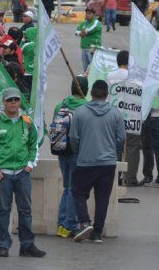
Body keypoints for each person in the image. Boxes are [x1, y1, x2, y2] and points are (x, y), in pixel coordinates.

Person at [0, 87, 45, 258]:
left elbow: (34, 145)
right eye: (10, 100)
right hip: (3, 175)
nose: (13, 103)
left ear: (19, 102)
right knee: (3, 210)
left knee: (25, 210)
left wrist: (31, 164)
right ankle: (3, 245)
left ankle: (27, 246)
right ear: (3, 102)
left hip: (23, 174)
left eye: (16, 100)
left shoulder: (27, 121)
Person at [70, 80, 126, 243]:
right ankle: (97, 232)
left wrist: (79, 151)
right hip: (107, 163)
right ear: (107, 95)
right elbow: (121, 138)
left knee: (78, 192)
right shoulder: (116, 114)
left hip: (85, 161)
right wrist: (112, 151)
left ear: (91, 94)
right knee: (102, 198)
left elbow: (73, 137)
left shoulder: (80, 113)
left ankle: (85, 221)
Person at [54, 76, 88, 238]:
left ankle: (61, 223)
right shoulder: (86, 107)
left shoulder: (61, 104)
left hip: (61, 149)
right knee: (75, 189)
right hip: (77, 152)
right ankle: (69, 225)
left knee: (67, 188)